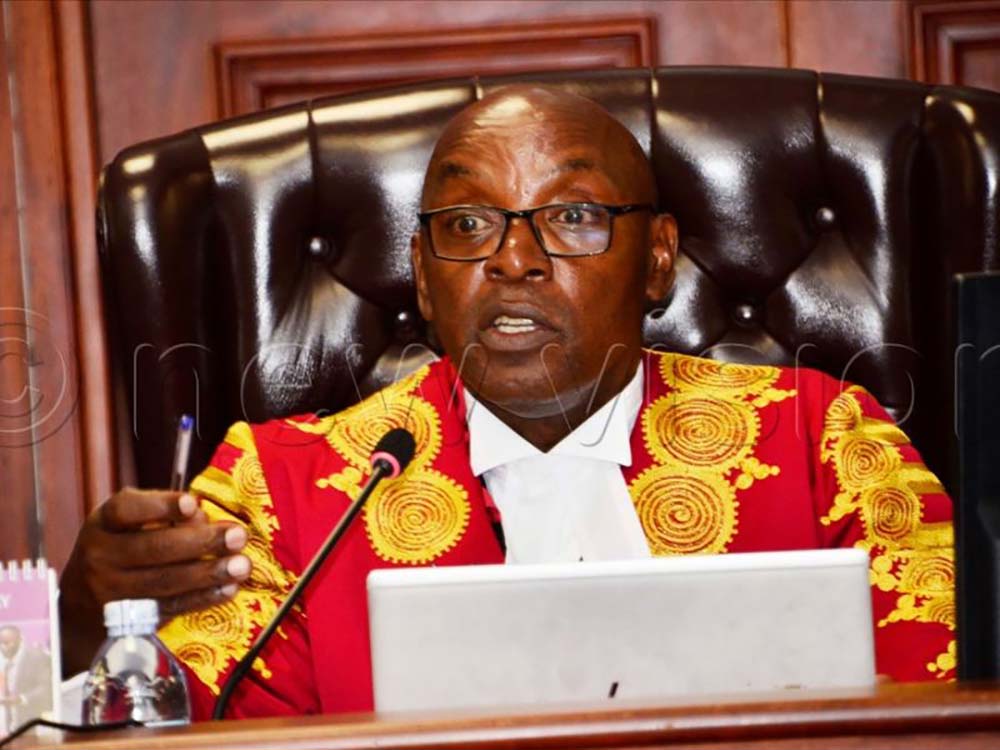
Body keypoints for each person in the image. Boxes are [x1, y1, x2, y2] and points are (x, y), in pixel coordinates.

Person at [59, 86, 955, 719]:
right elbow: (187, 721)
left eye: (572, 217)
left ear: (656, 259)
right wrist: (85, 628)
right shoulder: (279, 491)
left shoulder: (821, 440)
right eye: (467, 225)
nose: (513, 261)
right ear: (422, 275)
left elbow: (949, 703)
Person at [0, 625, 52, 733]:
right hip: (12, 728)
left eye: (7, 642)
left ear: (19, 640)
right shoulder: (6, 662)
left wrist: (21, 699)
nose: (3, 647)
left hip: (34, 726)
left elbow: (47, 688)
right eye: (0, 643)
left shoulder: (36, 657)